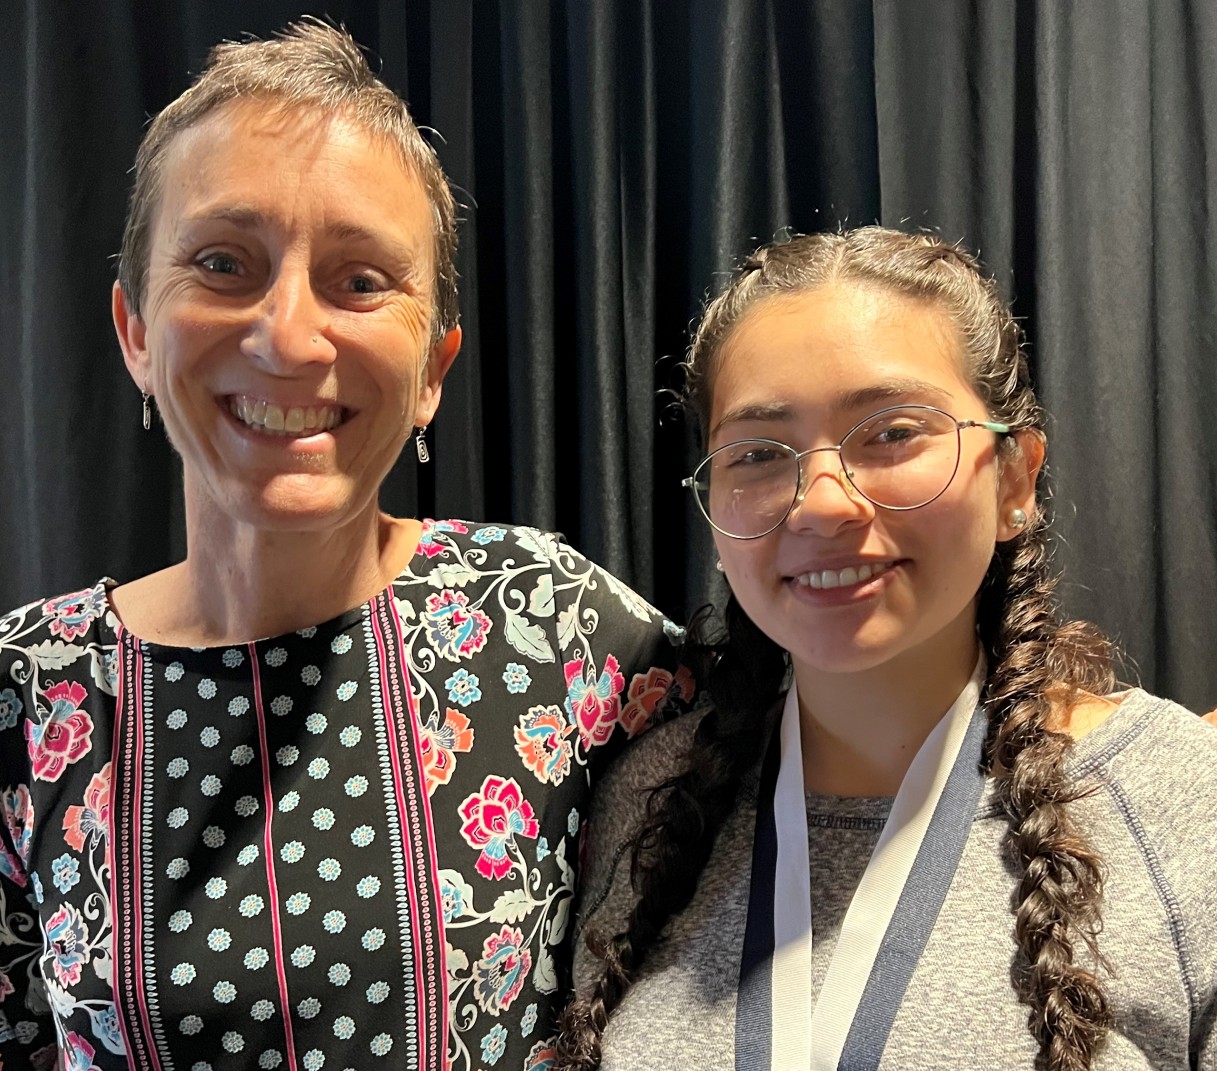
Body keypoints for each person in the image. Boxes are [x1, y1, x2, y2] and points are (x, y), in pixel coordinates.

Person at [0, 21, 691, 1071]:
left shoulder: (550, 626)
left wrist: (1029, 689)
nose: (288, 334)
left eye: (361, 280)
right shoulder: (24, 692)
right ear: (136, 329)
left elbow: (816, 745)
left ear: (431, 371)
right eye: (224, 263)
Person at [562, 228, 1217, 1070]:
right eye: (760, 452)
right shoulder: (647, 801)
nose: (821, 502)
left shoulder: (1180, 802)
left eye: (892, 432)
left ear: (1013, 477)